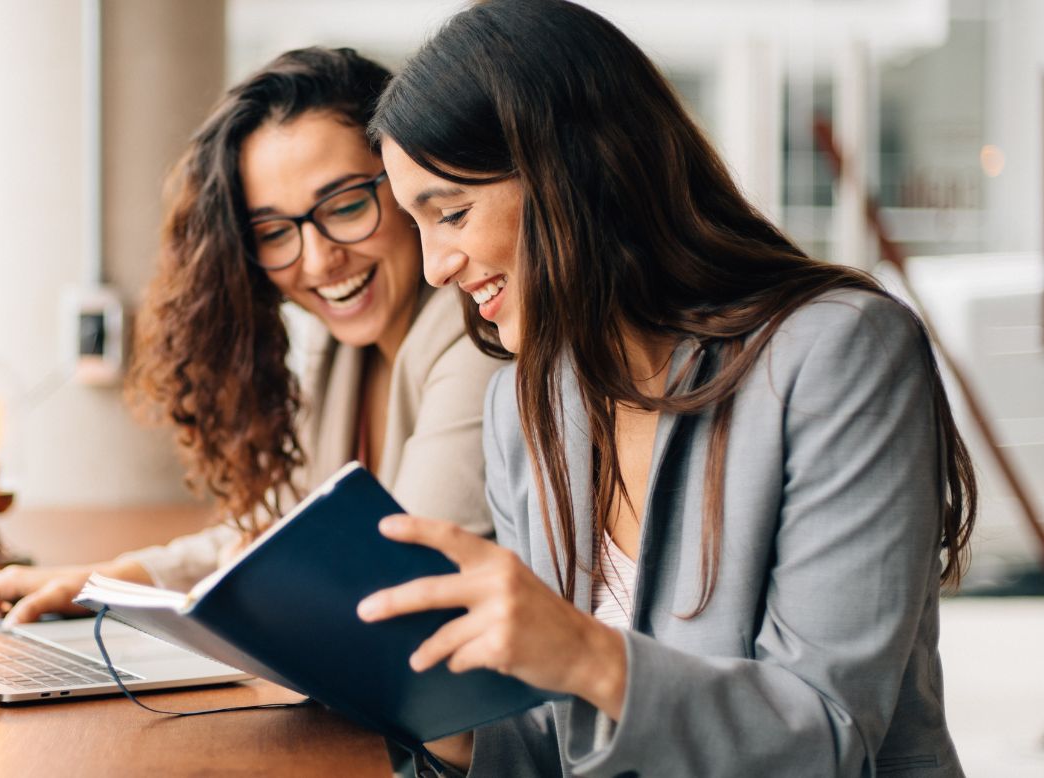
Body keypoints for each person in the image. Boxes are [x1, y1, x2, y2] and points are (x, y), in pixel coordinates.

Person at [357, 1, 977, 776]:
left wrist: (587, 656)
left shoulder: (841, 353)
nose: (433, 266)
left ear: (572, 170)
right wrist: (429, 716)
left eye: (450, 213)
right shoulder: (527, 406)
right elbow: (553, 741)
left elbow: (827, 734)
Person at [0, 47, 504, 624]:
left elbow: (404, 578)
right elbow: (262, 534)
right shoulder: (341, 353)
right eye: (273, 231)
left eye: (343, 205)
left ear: (407, 181)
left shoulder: (473, 335)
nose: (318, 261)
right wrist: (91, 581)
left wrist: (264, 577)